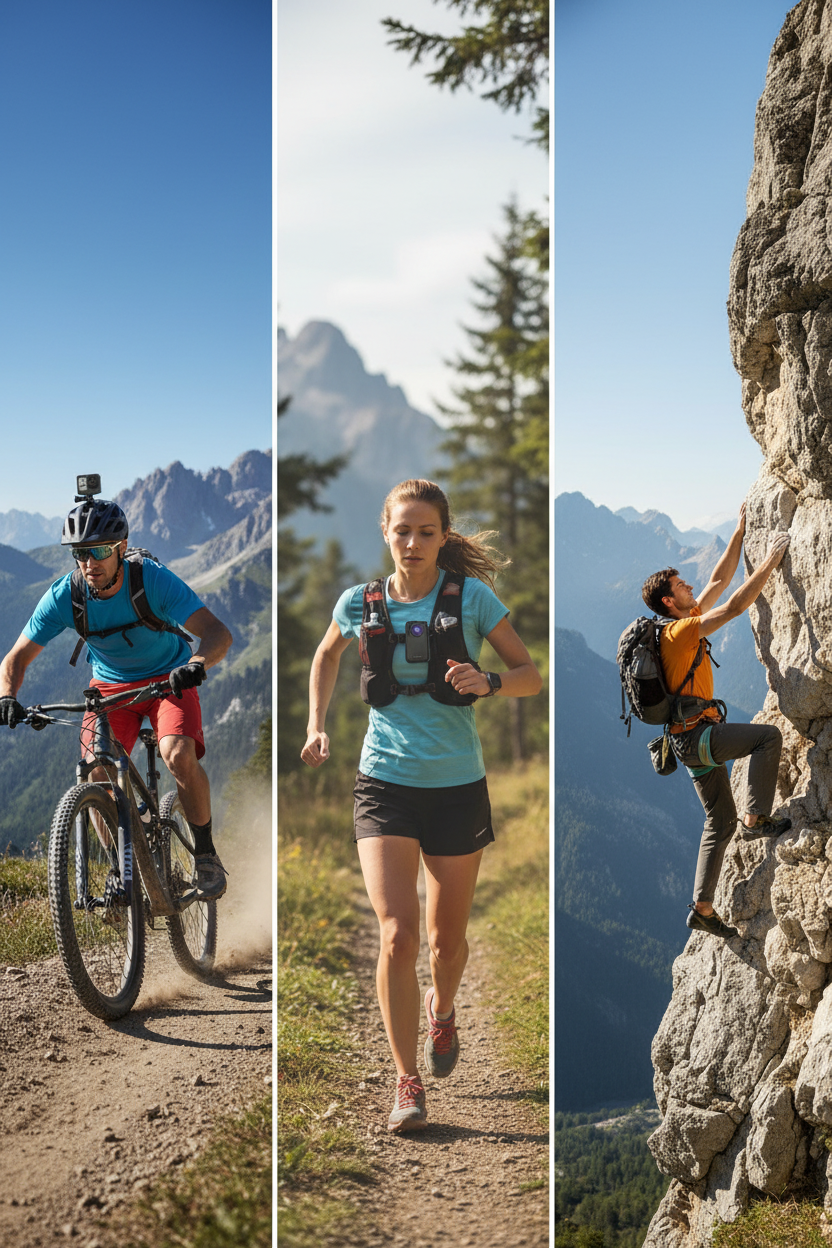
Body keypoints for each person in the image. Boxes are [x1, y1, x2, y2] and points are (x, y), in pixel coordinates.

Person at [301, 478, 542, 1132]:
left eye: (426, 532)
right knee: (398, 934)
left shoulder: (472, 599)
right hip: (383, 784)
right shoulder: (361, 602)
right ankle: (407, 1082)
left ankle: (443, 1011)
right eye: (402, 530)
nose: (412, 542)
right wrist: (316, 723)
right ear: (386, 532)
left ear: (442, 536)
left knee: (446, 943)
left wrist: (488, 680)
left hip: (458, 786)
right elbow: (325, 656)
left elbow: (530, 674)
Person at [0, 492, 233, 901]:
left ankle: (206, 855)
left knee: (178, 755)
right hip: (109, 691)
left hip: (169, 681)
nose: (89, 563)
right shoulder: (66, 595)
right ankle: (119, 868)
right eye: (81, 553)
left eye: (100, 551)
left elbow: (218, 634)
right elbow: (16, 657)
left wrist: (195, 664)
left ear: (121, 548)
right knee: (95, 773)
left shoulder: (152, 581)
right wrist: (7, 696)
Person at [641, 504, 792, 940]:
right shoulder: (681, 632)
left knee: (718, 822)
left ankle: (702, 909)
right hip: (701, 737)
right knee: (768, 738)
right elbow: (734, 604)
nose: (690, 585)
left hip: (686, 742)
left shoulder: (679, 622)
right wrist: (770, 561)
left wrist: (740, 533)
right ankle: (758, 819)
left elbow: (717, 581)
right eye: (680, 585)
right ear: (670, 601)